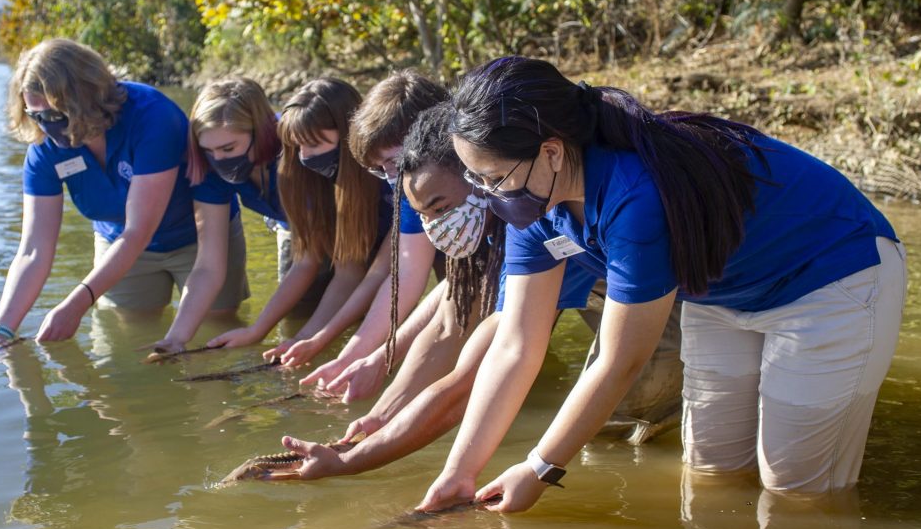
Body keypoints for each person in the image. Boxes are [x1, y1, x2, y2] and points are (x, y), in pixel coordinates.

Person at [419, 56, 905, 514]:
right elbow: (516, 345)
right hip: (722, 297)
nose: (488, 195)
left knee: (795, 489)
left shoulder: (634, 194)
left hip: (830, 278)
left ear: (551, 151)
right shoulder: (534, 203)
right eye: (477, 180)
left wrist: (540, 467)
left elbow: (620, 361)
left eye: (494, 178)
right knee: (710, 471)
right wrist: (460, 473)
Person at [276, 102, 681, 479]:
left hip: (664, 291)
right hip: (603, 279)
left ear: (475, 169)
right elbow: (451, 321)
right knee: (595, 426)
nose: (436, 225)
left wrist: (350, 461)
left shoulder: (535, 208)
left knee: (619, 424)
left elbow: (471, 377)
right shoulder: (492, 215)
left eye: (439, 207)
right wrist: (382, 420)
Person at [0, 38, 237, 345]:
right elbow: (34, 249)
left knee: (214, 330)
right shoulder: (44, 150)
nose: (45, 126)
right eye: (35, 115)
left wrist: (76, 303)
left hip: (198, 237)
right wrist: (1, 329)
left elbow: (139, 229)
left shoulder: (152, 117)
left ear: (86, 99)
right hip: (118, 244)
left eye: (54, 115)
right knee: (126, 337)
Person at [280, 71, 448, 401]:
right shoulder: (409, 183)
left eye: (392, 164)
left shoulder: (484, 174)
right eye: (379, 169)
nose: (391, 178)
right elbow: (403, 277)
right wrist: (350, 356)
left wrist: (378, 361)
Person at [205, 77, 391, 351]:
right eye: (297, 146)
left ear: (348, 133)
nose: (305, 157)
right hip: (349, 241)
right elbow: (315, 263)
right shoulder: (309, 173)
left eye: (314, 144)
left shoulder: (387, 173)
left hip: (400, 242)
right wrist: (266, 333)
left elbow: (375, 275)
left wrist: (316, 339)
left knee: (376, 317)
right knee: (302, 317)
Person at [149, 78, 280, 354]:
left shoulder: (294, 152)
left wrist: (259, 330)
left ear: (261, 130)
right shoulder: (212, 170)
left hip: (350, 227)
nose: (219, 159)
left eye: (229, 148)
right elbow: (208, 265)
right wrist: (176, 338)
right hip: (292, 229)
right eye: (208, 151)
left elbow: (316, 256)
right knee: (298, 316)